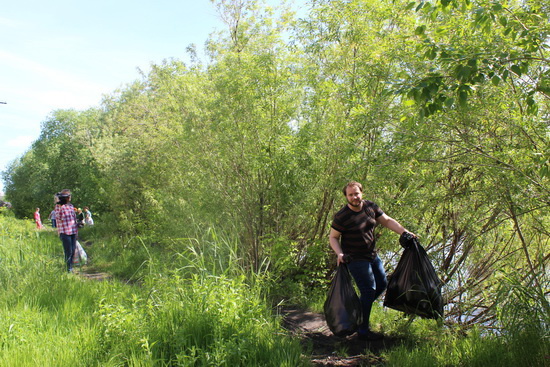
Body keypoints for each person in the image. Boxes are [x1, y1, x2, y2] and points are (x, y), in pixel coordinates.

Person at [329, 181, 415, 340]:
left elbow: (387, 221)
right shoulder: (342, 216)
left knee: (382, 284)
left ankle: (357, 312)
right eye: (351, 195)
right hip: (355, 259)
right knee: (368, 290)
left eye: (356, 193)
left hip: (372, 256)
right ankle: (362, 330)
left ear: (362, 193)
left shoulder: (370, 207)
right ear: (346, 197)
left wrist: (405, 232)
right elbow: (333, 238)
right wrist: (339, 254)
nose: (354, 197)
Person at [55, 189, 78, 272]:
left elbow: (74, 219)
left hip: (73, 231)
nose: (70, 197)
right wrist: (59, 204)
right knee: (68, 250)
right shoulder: (59, 207)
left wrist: (77, 229)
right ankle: (68, 268)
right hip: (64, 232)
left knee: (73, 249)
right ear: (66, 198)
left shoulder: (71, 206)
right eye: (69, 196)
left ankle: (71, 265)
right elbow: (59, 217)